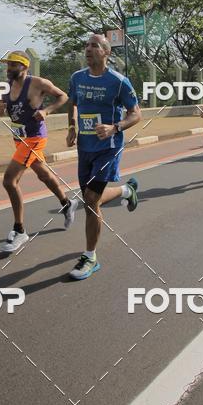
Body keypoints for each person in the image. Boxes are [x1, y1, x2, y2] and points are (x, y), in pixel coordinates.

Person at [65, 34, 141, 280]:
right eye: (86, 45)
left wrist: (115, 127)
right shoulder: (77, 78)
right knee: (91, 202)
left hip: (108, 148)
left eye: (94, 45)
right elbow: (72, 103)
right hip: (85, 149)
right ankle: (126, 191)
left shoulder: (118, 82)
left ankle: (90, 257)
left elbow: (136, 114)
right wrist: (71, 127)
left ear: (106, 52)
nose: (88, 48)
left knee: (89, 199)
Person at [0, 51, 77, 253]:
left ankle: (20, 230)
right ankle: (67, 204)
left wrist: (46, 111)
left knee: (9, 181)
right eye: (8, 65)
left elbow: (63, 96)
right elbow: (5, 107)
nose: (9, 69)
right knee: (43, 174)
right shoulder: (6, 85)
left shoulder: (38, 83)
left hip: (34, 138)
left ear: (24, 67)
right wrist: (0, 107)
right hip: (19, 137)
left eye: (13, 65)